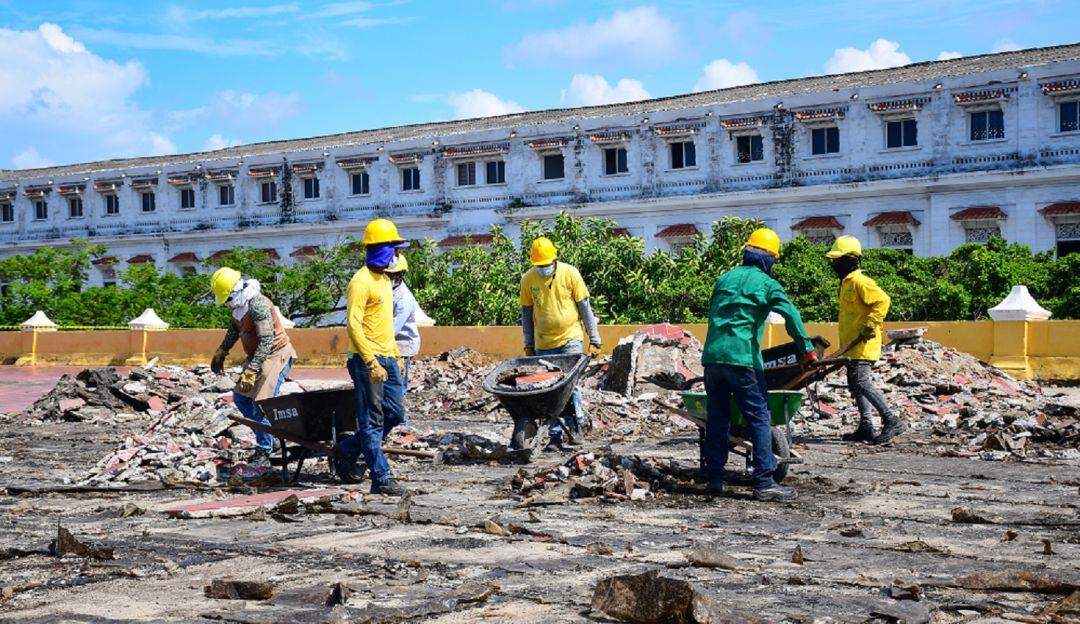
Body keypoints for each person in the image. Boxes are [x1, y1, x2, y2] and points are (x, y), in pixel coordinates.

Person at [701, 228, 817, 502]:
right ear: (769, 259)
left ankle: (714, 479)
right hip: (743, 360)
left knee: (717, 419)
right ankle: (764, 481)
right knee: (759, 418)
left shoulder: (724, 278)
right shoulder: (767, 284)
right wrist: (807, 351)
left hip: (713, 358)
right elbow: (790, 314)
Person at [334, 218, 409, 496]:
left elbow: (384, 325)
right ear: (382, 249)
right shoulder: (361, 282)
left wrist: (396, 356)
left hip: (388, 357)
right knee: (372, 420)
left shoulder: (384, 281)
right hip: (366, 361)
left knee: (396, 413)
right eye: (394, 249)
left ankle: (347, 449)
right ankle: (381, 477)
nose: (397, 256)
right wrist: (370, 361)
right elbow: (353, 325)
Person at [209, 267, 297, 467]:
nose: (227, 304)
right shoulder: (239, 306)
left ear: (235, 292)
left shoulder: (257, 305)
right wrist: (223, 349)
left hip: (275, 354)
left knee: (261, 403)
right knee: (241, 398)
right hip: (258, 356)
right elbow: (235, 328)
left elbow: (266, 341)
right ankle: (270, 437)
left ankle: (264, 449)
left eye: (227, 299)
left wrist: (251, 369)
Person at [519, 236, 602, 447]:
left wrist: (594, 338)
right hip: (543, 343)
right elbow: (527, 314)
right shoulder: (528, 279)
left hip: (570, 338)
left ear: (554, 260)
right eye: (539, 265)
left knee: (569, 386)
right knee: (548, 390)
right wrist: (528, 343)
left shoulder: (570, 273)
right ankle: (554, 434)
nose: (543, 268)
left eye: (546, 265)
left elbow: (584, 307)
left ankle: (576, 427)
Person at [825, 235, 906, 445]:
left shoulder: (861, 281)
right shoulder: (846, 283)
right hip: (852, 346)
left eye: (837, 260)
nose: (834, 264)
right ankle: (866, 426)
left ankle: (891, 420)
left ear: (850, 259)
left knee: (862, 382)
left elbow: (882, 300)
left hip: (864, 345)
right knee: (855, 384)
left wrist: (871, 323)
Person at [385, 254, 421, 429]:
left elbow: (392, 329)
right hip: (390, 344)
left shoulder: (404, 298)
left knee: (399, 386)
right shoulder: (389, 292)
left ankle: (401, 422)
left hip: (403, 346)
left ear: (399, 275)